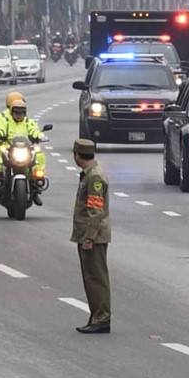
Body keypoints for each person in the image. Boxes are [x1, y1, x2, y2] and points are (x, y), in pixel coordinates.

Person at [71, 138, 111, 334]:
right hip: (89, 235)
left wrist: (89, 238)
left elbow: (95, 211)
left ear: (77, 155)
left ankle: (102, 318)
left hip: (93, 237)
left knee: (96, 278)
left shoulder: (94, 177)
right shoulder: (89, 174)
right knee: (91, 278)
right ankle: (96, 315)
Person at [0, 100, 46, 205]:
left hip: (26, 150)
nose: (19, 115)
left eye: (21, 112)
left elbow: (34, 130)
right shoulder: (5, 121)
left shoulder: (29, 122)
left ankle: (36, 186)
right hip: (8, 150)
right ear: (12, 112)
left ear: (25, 112)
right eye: (16, 112)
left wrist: (40, 136)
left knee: (39, 157)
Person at [0, 91, 26, 186]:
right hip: (4, 148)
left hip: (22, 147)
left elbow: (32, 129)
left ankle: (36, 182)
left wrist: (39, 136)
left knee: (36, 158)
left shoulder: (23, 117)